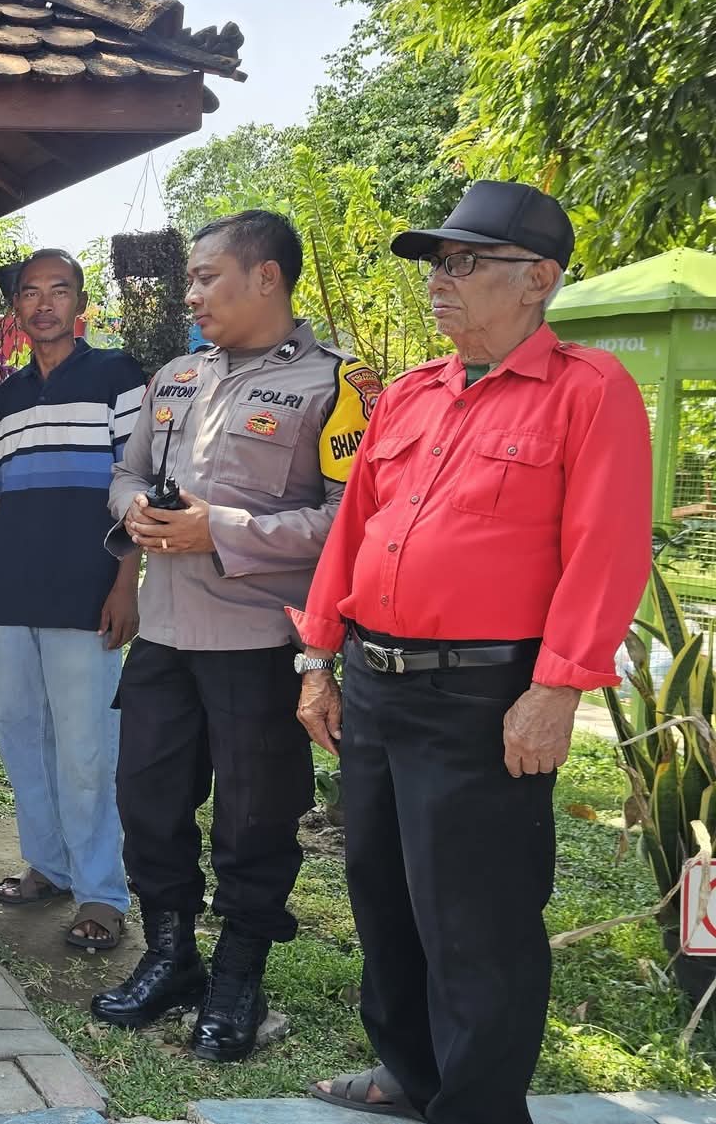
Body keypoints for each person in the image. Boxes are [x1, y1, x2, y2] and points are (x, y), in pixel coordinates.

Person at [295, 182, 650, 1123]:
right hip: (375, 682)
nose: (438, 282)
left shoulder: (588, 390)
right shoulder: (413, 393)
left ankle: (479, 1106)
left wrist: (557, 688)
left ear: (538, 279)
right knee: (381, 891)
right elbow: (354, 530)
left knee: (477, 918)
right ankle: (409, 1075)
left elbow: (607, 550)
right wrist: (318, 659)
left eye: (462, 263)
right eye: (436, 265)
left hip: (484, 696)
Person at [94, 210, 376, 1062]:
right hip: (166, 634)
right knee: (146, 801)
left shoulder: (337, 385)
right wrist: (135, 513)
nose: (192, 294)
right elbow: (127, 472)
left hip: (261, 641)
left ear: (265, 277)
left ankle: (237, 976)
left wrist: (220, 529)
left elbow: (351, 522)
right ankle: (171, 955)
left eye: (206, 276)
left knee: (255, 820)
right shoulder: (175, 377)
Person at [0, 249, 142, 951]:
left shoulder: (118, 377)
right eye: (31, 293)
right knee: (19, 730)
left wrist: (126, 582)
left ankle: (102, 893)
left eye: (59, 291)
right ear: (17, 309)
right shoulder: (8, 395)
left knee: (86, 747)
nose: (45, 304)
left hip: (89, 591)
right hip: (18, 591)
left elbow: (139, 482)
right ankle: (50, 865)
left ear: (79, 303)